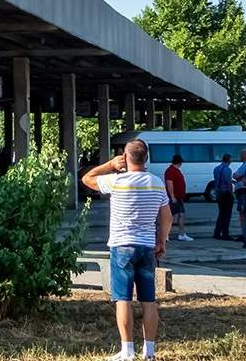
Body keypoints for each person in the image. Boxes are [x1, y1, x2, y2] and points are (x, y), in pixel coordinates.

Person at [82, 139, 173, 361]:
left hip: (122, 246)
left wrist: (110, 165)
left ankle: (127, 350)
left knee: (123, 299)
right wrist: (161, 240)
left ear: (125, 157)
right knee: (148, 300)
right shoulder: (156, 183)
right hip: (146, 247)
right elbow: (167, 217)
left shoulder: (117, 181)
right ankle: (149, 351)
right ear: (147, 158)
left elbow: (86, 178)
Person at [164, 154, 193, 241]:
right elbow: (169, 184)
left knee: (181, 214)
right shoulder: (170, 171)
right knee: (170, 216)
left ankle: (181, 234)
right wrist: (172, 196)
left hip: (179, 197)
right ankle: (165, 234)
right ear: (179, 162)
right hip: (174, 198)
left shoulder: (176, 170)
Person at [232, 149, 246, 240]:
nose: (240, 156)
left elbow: (236, 175)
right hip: (244, 191)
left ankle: (245, 234)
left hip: (243, 191)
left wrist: (236, 176)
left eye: (241, 154)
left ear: (245, 155)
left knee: (243, 212)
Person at [212, 153, 235, 240]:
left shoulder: (216, 169)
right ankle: (225, 233)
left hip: (219, 193)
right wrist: (231, 193)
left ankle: (217, 232)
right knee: (227, 214)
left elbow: (216, 180)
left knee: (221, 213)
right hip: (226, 193)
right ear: (229, 160)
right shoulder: (227, 170)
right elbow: (228, 183)